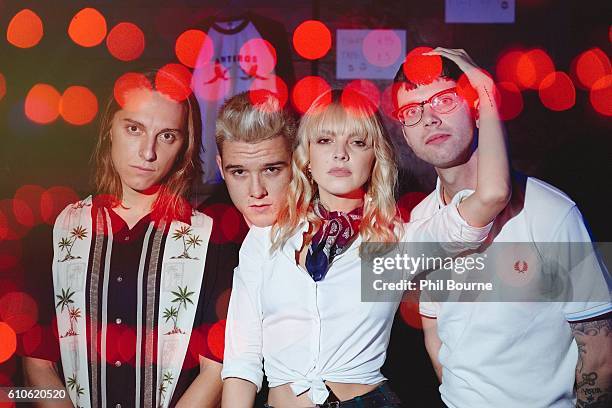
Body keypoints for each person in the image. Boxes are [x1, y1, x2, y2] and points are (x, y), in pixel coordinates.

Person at [221, 46, 512, 408]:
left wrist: (482, 88)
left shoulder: (399, 241)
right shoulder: (266, 237)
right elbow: (241, 361)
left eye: (357, 142)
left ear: (375, 158)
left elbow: (493, 195)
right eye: (325, 140)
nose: (340, 153)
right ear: (306, 157)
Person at [392, 47, 612, 407]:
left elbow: (600, 354)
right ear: (404, 133)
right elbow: (434, 330)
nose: (428, 119)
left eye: (444, 101)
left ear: (476, 106)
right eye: (412, 112)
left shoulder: (550, 212)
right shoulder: (421, 219)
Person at [22, 69, 232, 407]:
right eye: (134, 129)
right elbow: (37, 361)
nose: (147, 152)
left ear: (184, 145)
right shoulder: (58, 228)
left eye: (167, 136)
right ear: (110, 128)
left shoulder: (211, 239)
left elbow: (215, 369)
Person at [206, 90, 296, 229]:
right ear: (221, 168)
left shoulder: (328, 232)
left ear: (295, 162)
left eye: (271, 170)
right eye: (240, 172)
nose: (257, 192)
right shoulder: (201, 238)